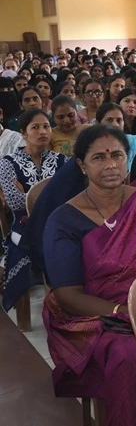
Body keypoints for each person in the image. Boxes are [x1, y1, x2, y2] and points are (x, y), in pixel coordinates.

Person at [42, 125, 136, 425]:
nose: (110, 165)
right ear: (82, 165)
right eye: (99, 158)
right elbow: (68, 295)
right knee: (129, 351)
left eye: (117, 155)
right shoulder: (63, 220)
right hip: (94, 315)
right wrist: (124, 311)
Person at [0, 108, 67, 311]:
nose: (42, 131)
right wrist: (47, 196)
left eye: (46, 126)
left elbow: (66, 199)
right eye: (35, 127)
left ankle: (64, 302)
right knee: (44, 243)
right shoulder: (7, 163)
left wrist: (29, 194)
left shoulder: (61, 161)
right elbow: (14, 202)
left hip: (55, 224)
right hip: (23, 226)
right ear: (23, 132)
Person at [96, 102, 136, 171]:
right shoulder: (92, 146)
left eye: (119, 120)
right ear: (98, 123)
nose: (116, 124)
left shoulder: (134, 143)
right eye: (110, 120)